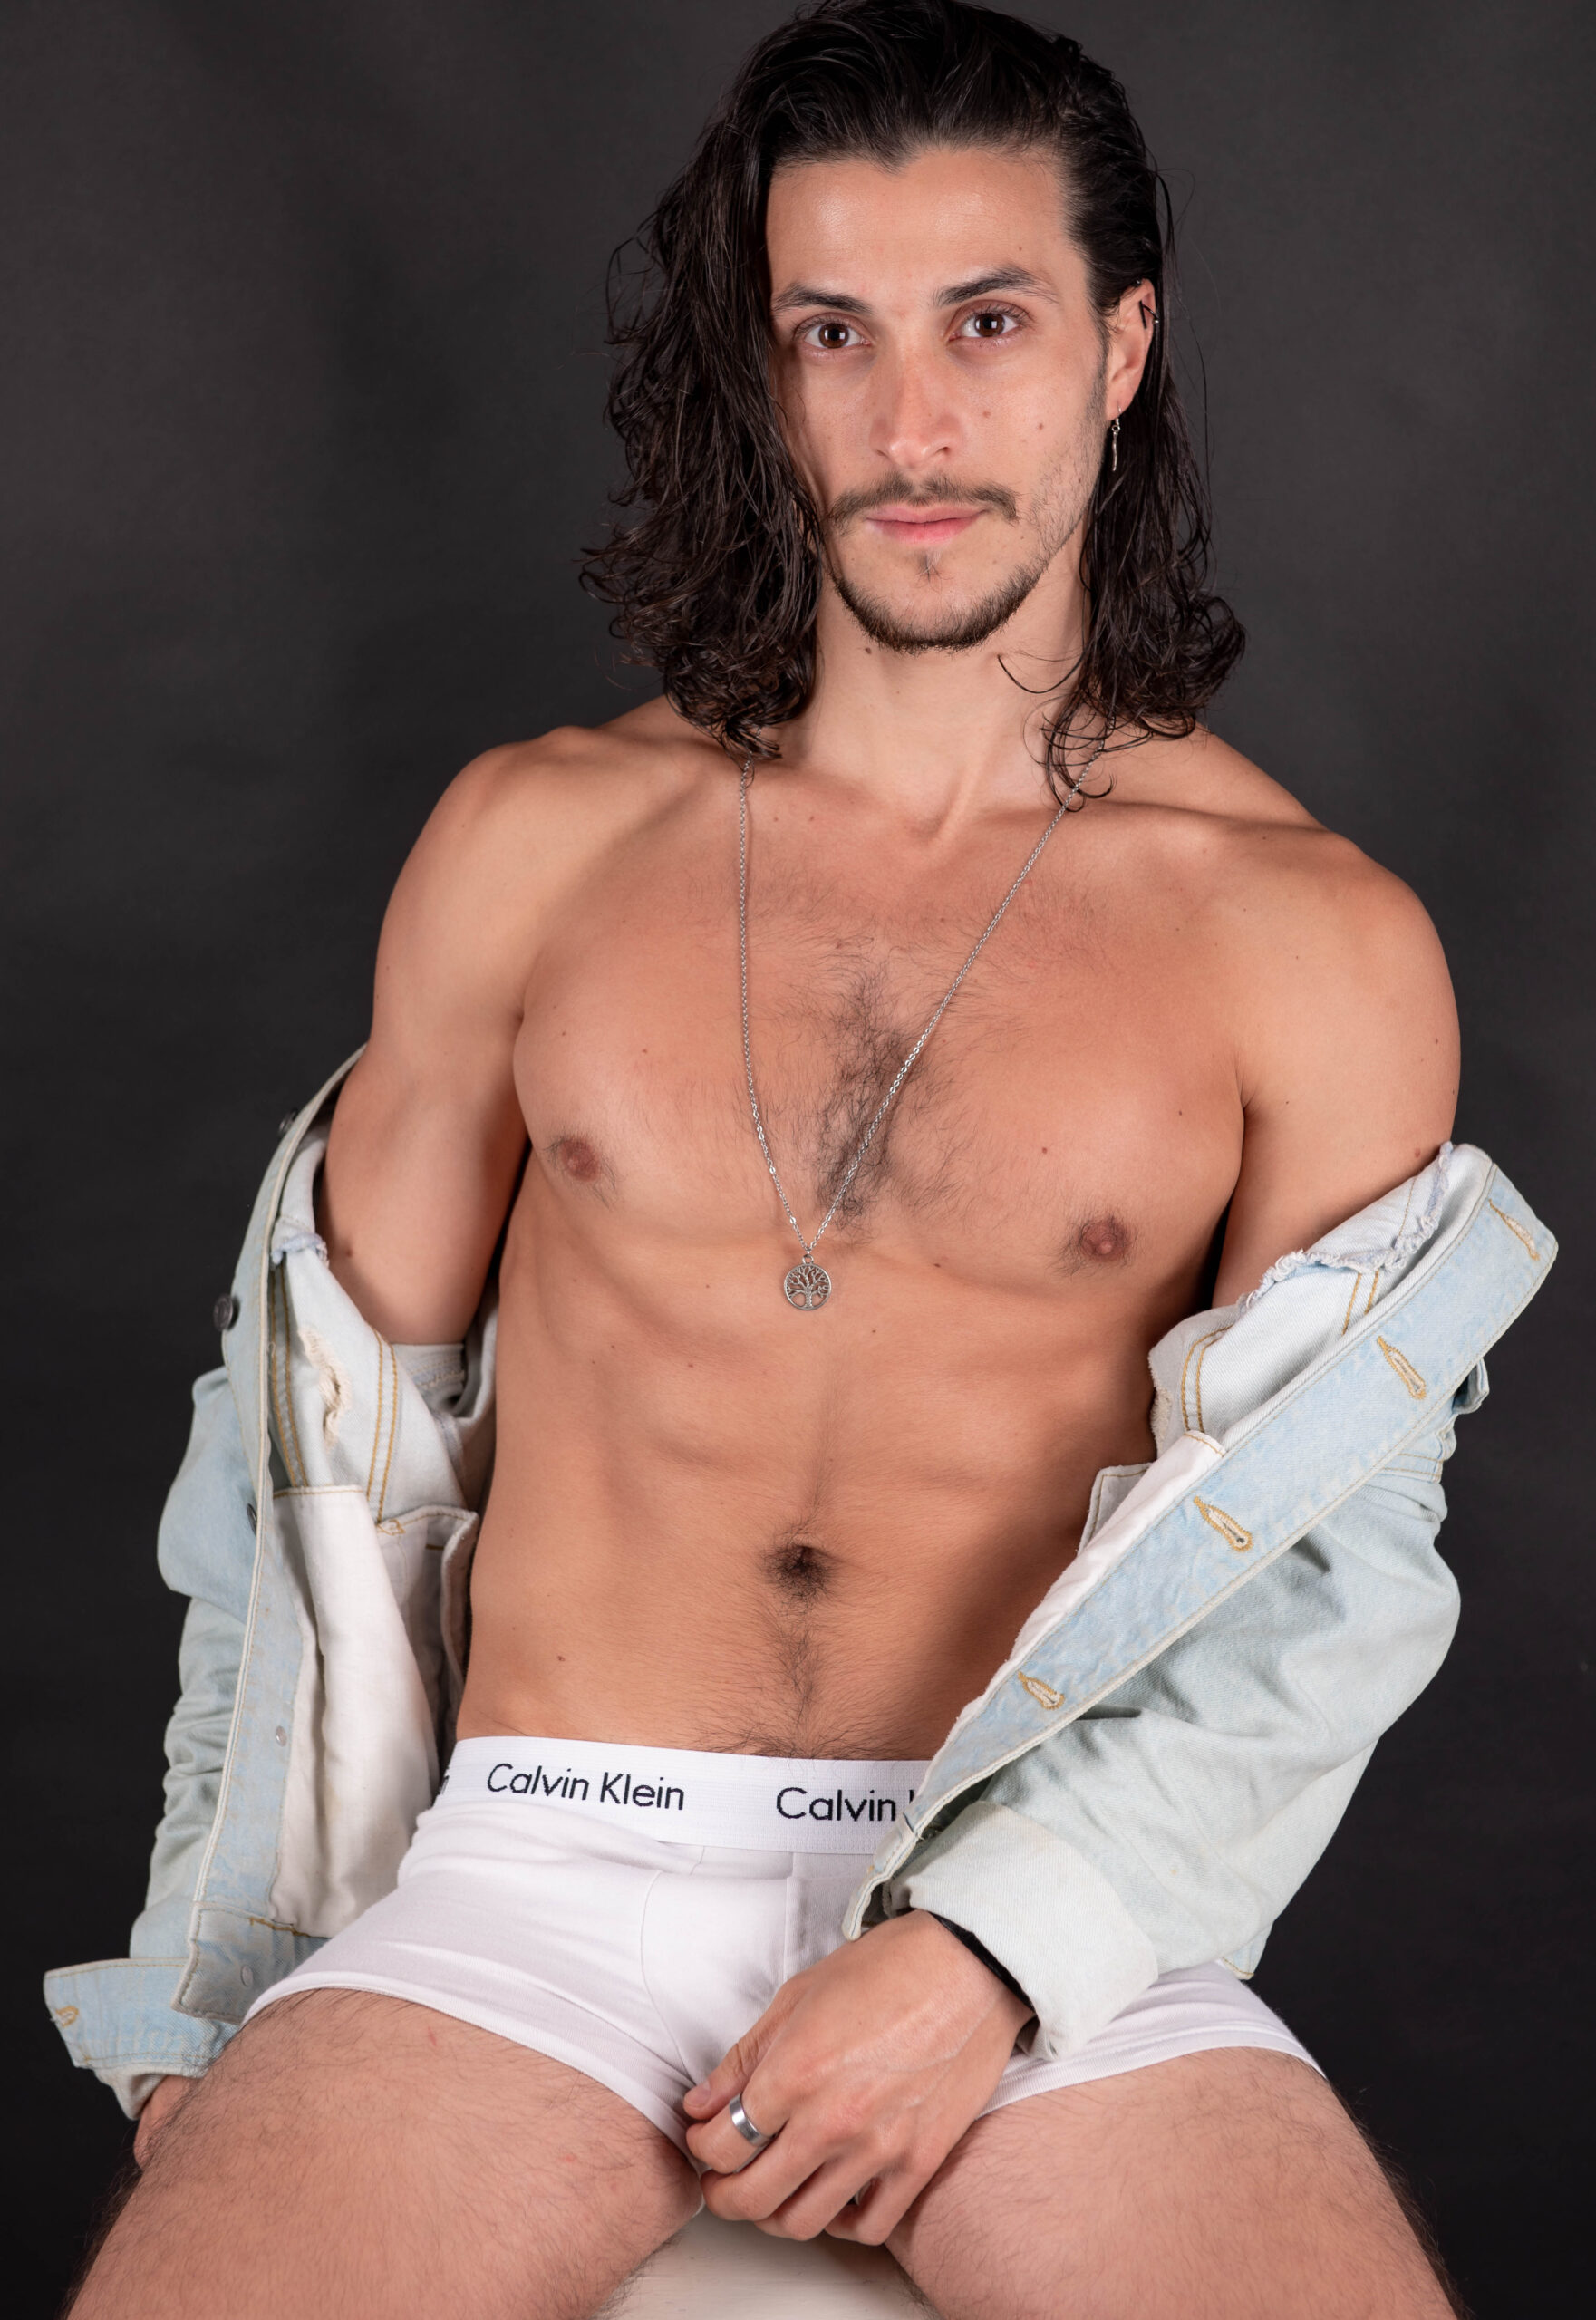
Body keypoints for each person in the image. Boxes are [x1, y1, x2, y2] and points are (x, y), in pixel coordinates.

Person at [52, 5, 1553, 2314]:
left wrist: (988, 1953)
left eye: (986, 324)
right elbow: (304, 1470)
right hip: (536, 1879)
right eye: (831, 332)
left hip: (1016, 1898)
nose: (910, 423)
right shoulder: (536, 843)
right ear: (765, 375)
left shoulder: (1309, 942)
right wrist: (209, 1980)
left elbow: (1328, 1582)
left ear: (1119, 348)